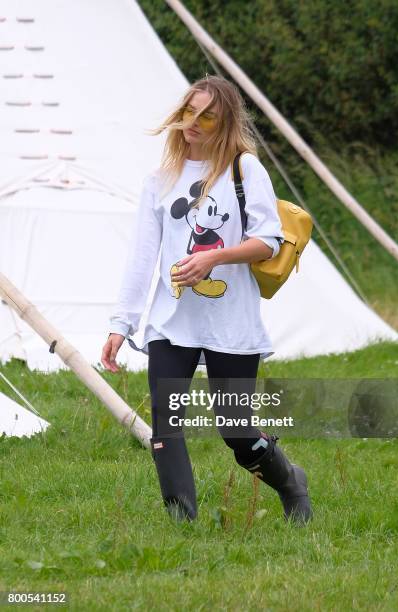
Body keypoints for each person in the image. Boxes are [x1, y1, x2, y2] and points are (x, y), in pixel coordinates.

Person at [101, 75, 312, 525]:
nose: (193, 123)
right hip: (171, 321)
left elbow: (270, 241)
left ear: (225, 122)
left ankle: (291, 482)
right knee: (166, 422)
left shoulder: (244, 169)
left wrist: (213, 257)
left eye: (206, 116)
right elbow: (143, 257)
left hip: (230, 321)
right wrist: (122, 325)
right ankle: (183, 524)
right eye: (187, 112)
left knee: (235, 431)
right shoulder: (160, 181)